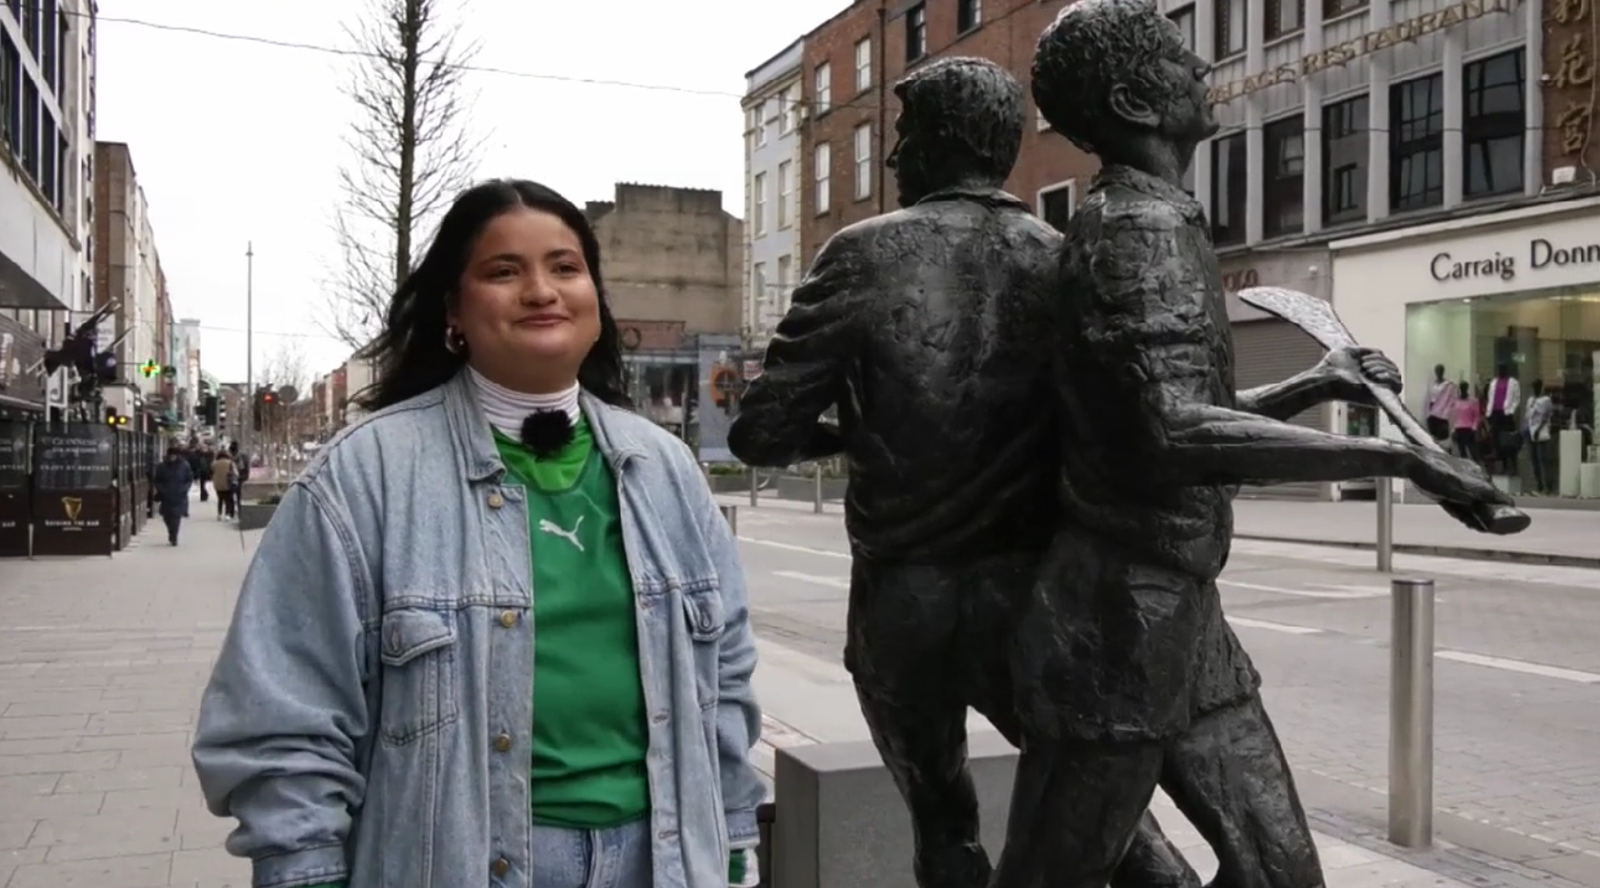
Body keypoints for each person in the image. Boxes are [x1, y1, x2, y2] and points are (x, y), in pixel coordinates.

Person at [1012, 3, 1515, 887]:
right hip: (1117, 627)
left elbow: (1180, 412)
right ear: (1135, 100)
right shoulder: (1138, 230)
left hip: (1180, 620)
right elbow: (1175, 433)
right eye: (1179, 57)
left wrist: (1318, 384)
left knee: (1280, 871)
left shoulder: (1159, 220)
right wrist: (1403, 458)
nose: (1202, 69)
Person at [191, 179, 765, 888]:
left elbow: (726, 679)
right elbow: (283, 710)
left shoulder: (666, 470)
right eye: (504, 271)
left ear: (595, 303)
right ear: (454, 311)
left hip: (666, 861)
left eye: (565, 267)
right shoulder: (366, 474)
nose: (541, 291)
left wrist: (737, 835)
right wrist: (304, 869)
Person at [729, 56, 1194, 888]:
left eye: (904, 134)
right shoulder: (1063, 256)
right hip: (1040, 601)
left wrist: (874, 433)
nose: (895, 153)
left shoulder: (862, 253)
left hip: (907, 605)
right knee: (1109, 831)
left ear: (938, 142)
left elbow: (763, 432)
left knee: (945, 828)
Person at [152, 447, 194, 546]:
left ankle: (174, 537)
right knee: (166, 517)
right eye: (171, 456)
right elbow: (157, 480)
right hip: (166, 497)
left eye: (174, 455)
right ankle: (171, 533)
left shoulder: (184, 466)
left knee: (176, 517)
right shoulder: (162, 466)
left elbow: (189, 479)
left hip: (179, 496)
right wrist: (162, 490)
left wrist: (184, 489)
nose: (172, 458)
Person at [1524, 379, 1554, 493]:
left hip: (1541, 431)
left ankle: (1548, 485)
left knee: (1543, 460)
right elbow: (1528, 416)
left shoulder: (1546, 400)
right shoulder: (1531, 400)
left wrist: (1538, 429)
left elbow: (1546, 416)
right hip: (1531, 431)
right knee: (1534, 460)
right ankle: (1539, 485)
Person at [1424, 364, 1457, 443]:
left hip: (1442, 415)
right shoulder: (1433, 384)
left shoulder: (1449, 385)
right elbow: (1430, 397)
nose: (1438, 373)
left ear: (1443, 372)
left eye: (1440, 371)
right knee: (1433, 438)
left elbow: (1451, 401)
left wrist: (1445, 413)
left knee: (1442, 438)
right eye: (1437, 371)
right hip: (1432, 414)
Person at [1452, 380, 1483, 463]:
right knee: (1462, 453)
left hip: (1469, 429)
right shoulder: (1456, 401)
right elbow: (1456, 417)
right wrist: (1454, 429)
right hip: (1459, 429)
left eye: (1464, 388)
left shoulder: (1473, 401)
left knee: (1474, 452)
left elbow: (1477, 416)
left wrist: (1474, 428)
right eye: (1461, 388)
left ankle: (1479, 470)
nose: (1462, 390)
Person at [211, 449, 238, 519]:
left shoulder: (215, 463)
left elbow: (212, 471)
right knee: (228, 500)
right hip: (227, 483)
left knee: (220, 499)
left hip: (218, 484)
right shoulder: (230, 463)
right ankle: (227, 514)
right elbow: (235, 473)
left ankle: (219, 514)